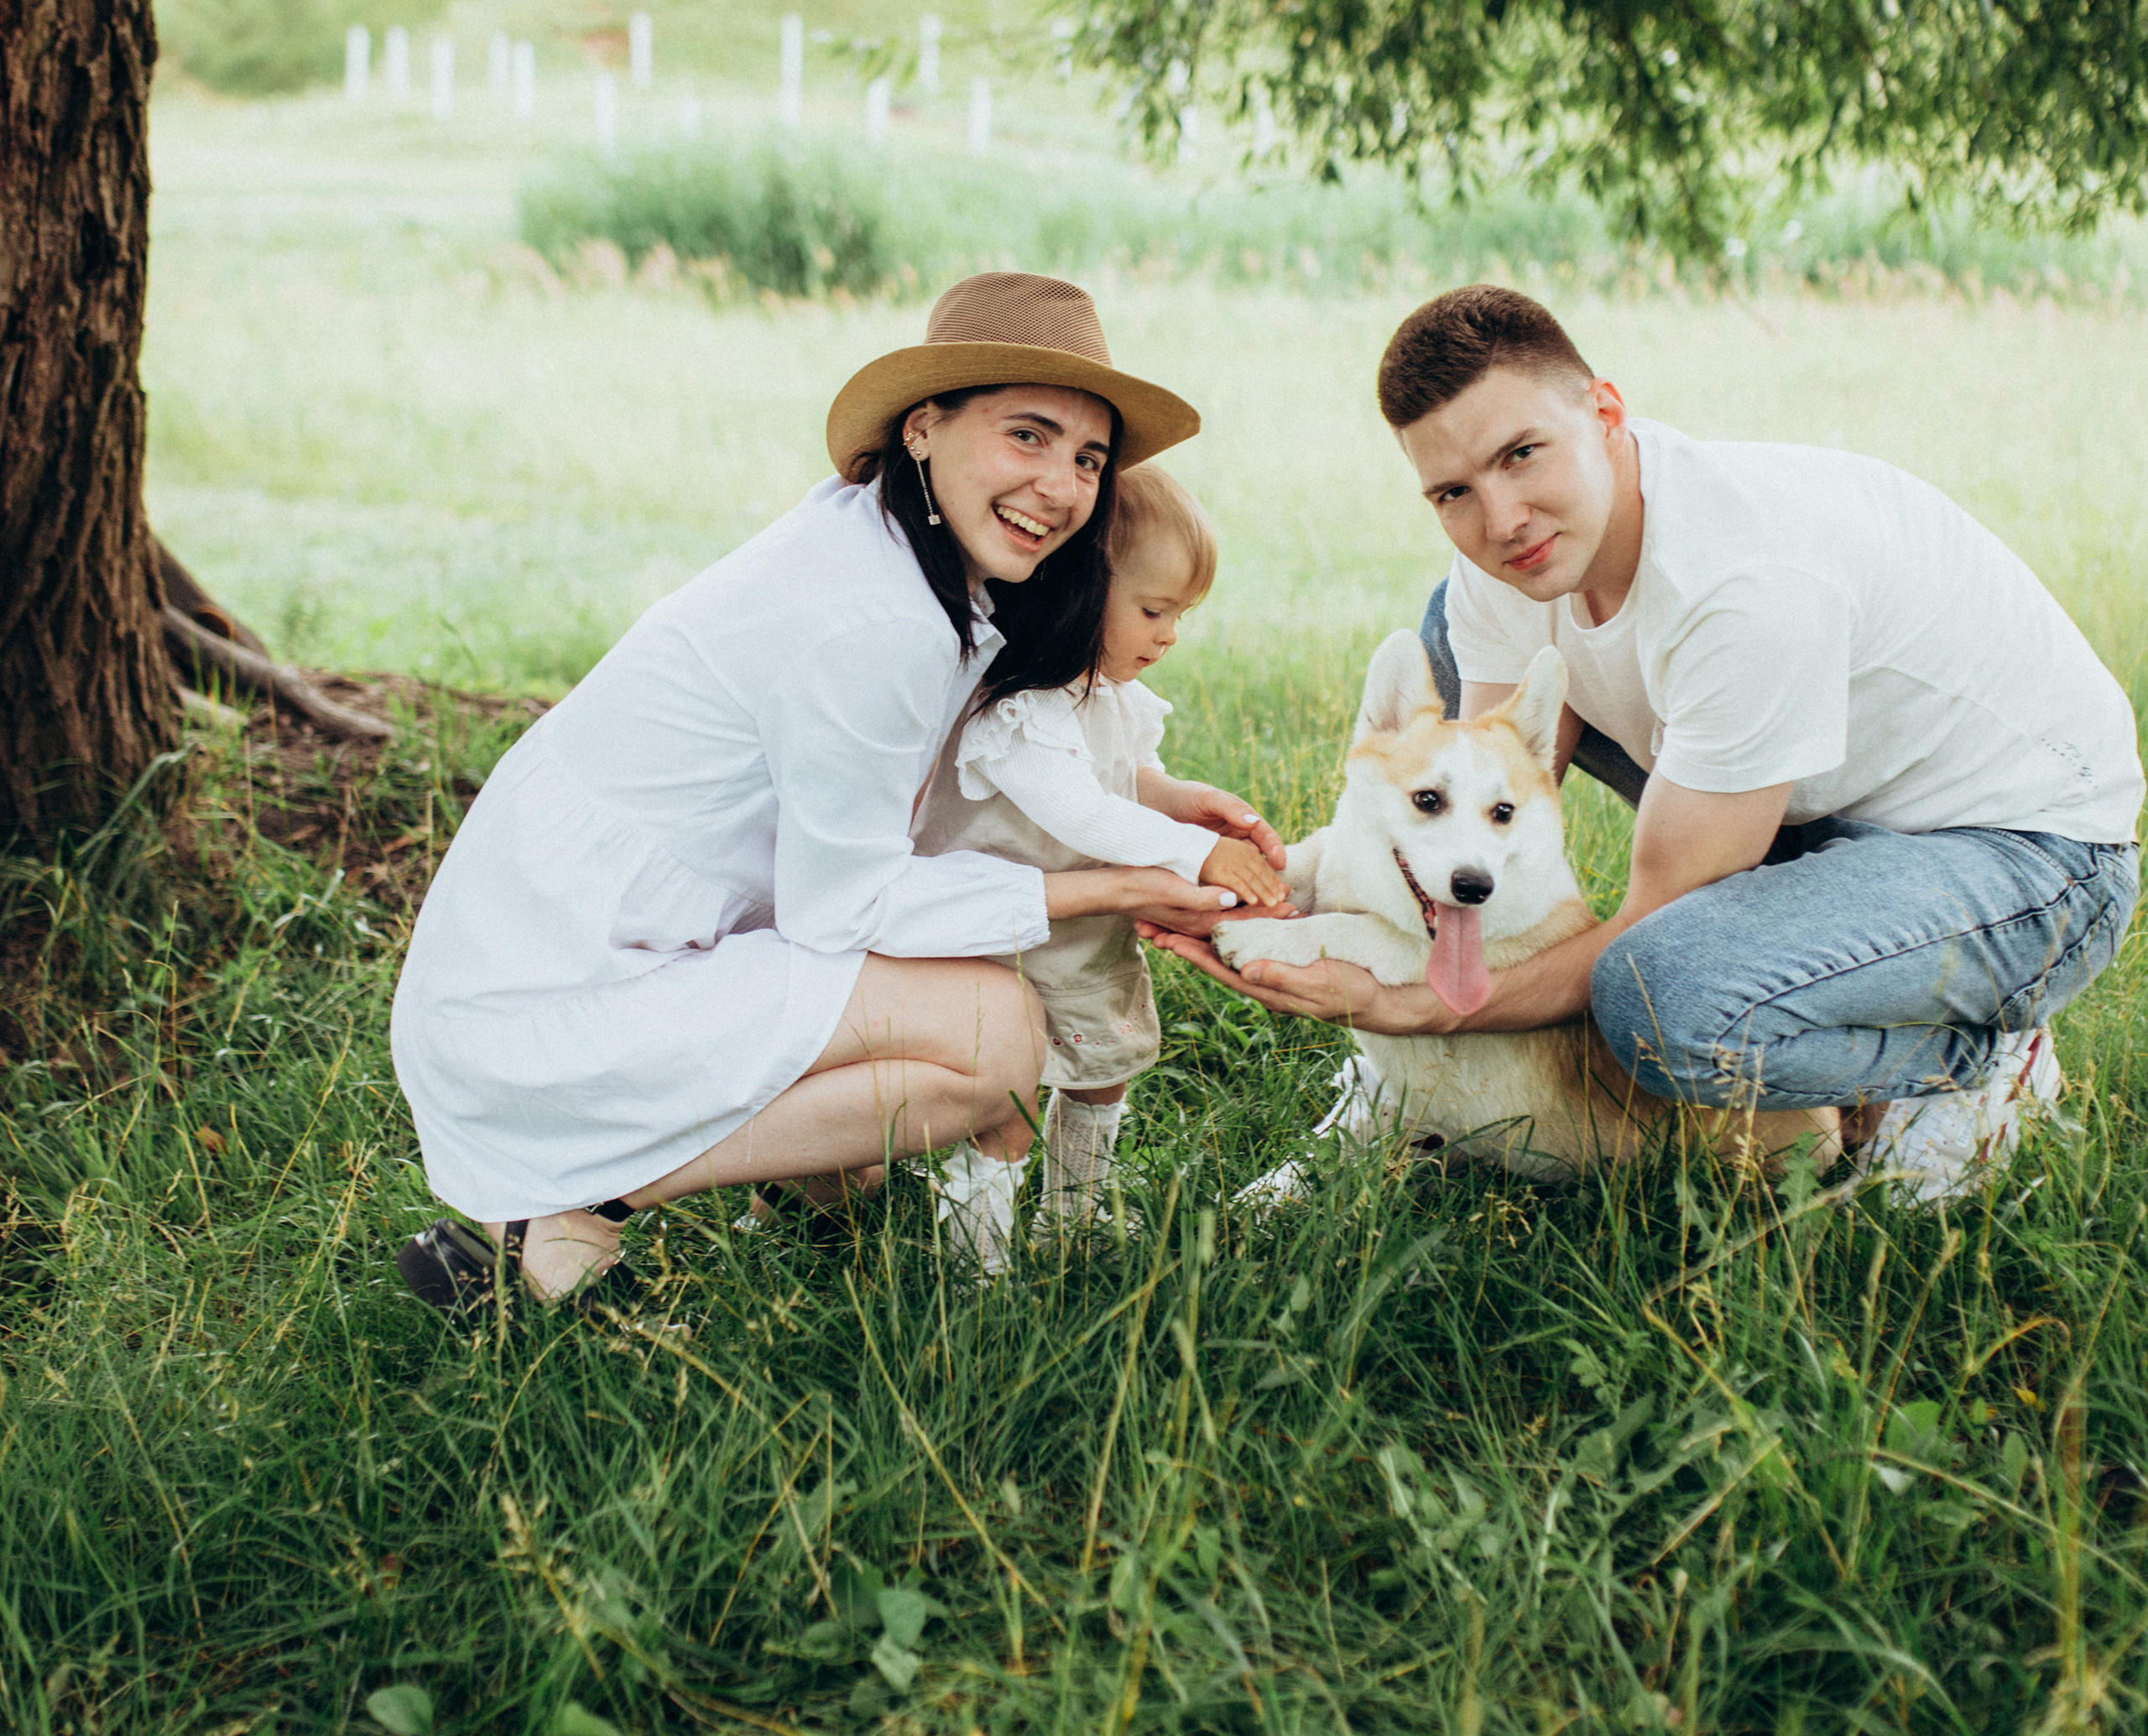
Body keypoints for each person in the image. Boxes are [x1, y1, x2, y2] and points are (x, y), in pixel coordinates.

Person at [388, 273, 1256, 1314]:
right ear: (925, 427)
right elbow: (840, 909)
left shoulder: (895, 550)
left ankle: (810, 1186)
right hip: (549, 995)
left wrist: (1154, 800)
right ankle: (567, 1203)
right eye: (1026, 436)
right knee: (997, 1039)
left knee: (883, 1119)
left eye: (1086, 458)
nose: (1062, 487)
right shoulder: (877, 616)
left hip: (582, 958)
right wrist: (1109, 887)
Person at [1161, 283, 2141, 1201]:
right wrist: (1291, 886)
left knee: (1658, 1001)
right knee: (1449, 672)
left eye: (1521, 455)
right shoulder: (1512, 566)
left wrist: (1422, 1005)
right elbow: (1493, 808)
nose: (1501, 521)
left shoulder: (1742, 586)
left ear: (1606, 412)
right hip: (1817, 807)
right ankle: (1411, 1095)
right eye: (1451, 492)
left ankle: (1968, 1058)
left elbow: (1653, 921)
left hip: (2027, 862)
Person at [918, 464, 1289, 1222]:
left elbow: (1128, 779)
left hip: (1083, 937)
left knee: (1102, 1072)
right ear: (1078, 587)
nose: (1169, 634)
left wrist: (1187, 803)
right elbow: (1083, 812)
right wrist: (1193, 855)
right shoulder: (1018, 711)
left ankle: (1073, 1216)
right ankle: (975, 1251)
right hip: (1007, 943)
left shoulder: (1105, 692)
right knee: (1008, 1102)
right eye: (1153, 609)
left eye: (1182, 614)